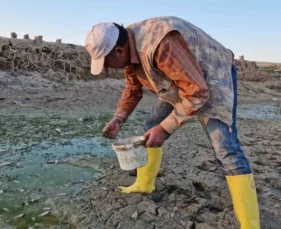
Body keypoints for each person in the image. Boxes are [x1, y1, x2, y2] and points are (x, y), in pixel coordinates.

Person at [84, 16, 260, 229]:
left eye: (106, 63)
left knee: (226, 149)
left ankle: (251, 225)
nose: (106, 69)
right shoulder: (128, 48)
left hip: (213, 76)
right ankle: (144, 184)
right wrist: (118, 119)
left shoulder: (161, 44)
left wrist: (166, 129)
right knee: (150, 127)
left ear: (119, 51)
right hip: (178, 80)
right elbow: (132, 88)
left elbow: (198, 92)